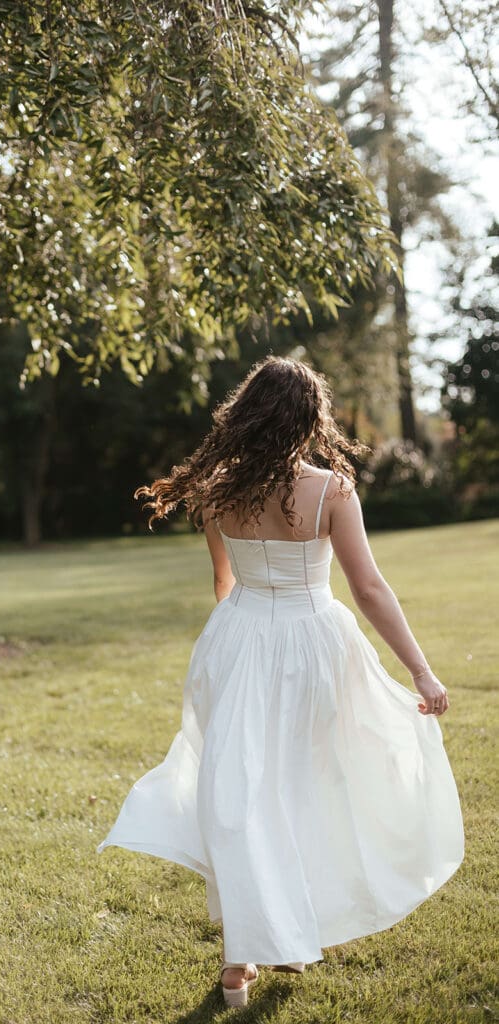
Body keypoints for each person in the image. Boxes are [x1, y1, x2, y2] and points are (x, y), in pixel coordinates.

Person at [96, 355, 464, 1009]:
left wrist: (231, 649)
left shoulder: (216, 488)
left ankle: (247, 958)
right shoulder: (330, 490)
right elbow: (368, 587)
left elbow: (222, 583)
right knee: (303, 785)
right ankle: (273, 941)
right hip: (314, 644)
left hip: (236, 638)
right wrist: (420, 670)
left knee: (243, 795)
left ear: (246, 415)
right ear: (308, 420)